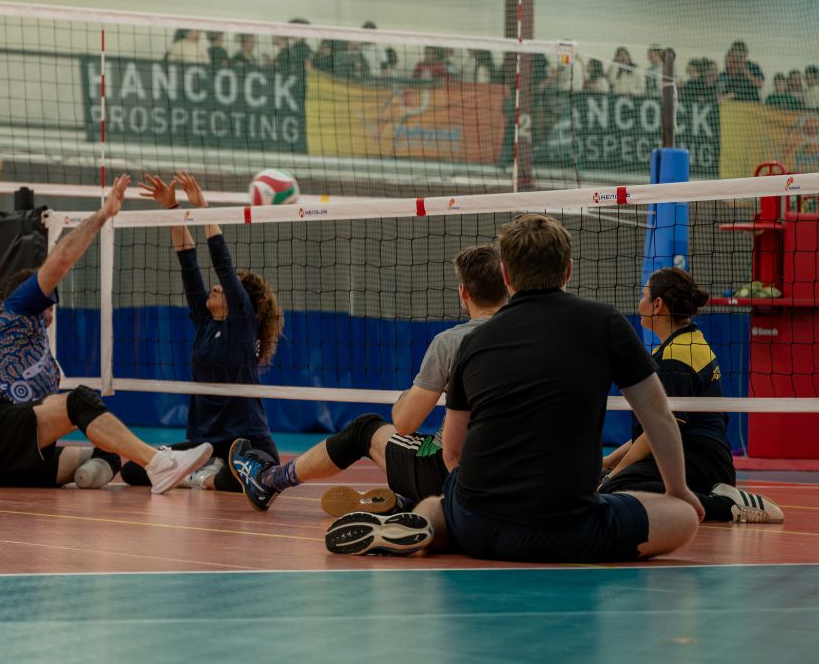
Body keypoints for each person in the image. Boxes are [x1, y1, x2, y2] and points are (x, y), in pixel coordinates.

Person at [327, 214, 705, 560]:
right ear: (568, 270)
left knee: (438, 503)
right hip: (570, 530)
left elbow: (453, 454)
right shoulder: (604, 323)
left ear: (506, 276)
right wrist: (679, 490)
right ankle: (434, 523)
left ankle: (427, 525)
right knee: (682, 516)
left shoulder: (471, 343)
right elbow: (656, 415)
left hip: (478, 528)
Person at [0, 175, 213, 493]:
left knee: (107, 451)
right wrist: (103, 215)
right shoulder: (15, 309)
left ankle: (150, 464)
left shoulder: (40, 359)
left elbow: (38, 420)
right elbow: (60, 260)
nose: (52, 306)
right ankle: (160, 465)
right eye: (48, 299)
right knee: (79, 401)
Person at [228, 246, 506, 515]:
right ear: (507, 285)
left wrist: (406, 399)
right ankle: (406, 497)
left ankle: (269, 479)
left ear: (463, 292)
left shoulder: (451, 342)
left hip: (450, 474)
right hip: (505, 476)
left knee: (364, 428)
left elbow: (406, 423)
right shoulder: (531, 337)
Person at [127, 171, 283, 492]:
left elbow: (222, 265)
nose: (216, 286)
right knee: (132, 471)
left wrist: (204, 208)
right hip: (205, 445)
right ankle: (200, 472)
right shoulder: (204, 321)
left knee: (250, 474)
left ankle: (203, 478)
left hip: (247, 439)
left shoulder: (242, 324)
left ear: (241, 302)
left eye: (225, 288)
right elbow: (188, 263)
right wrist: (172, 210)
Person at [599, 268, 783, 523]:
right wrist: (608, 462)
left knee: (615, 489)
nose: (639, 303)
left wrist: (614, 475)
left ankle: (726, 505)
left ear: (658, 305)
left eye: (643, 296)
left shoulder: (677, 357)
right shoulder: (686, 342)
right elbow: (650, 432)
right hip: (698, 457)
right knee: (603, 480)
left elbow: (661, 431)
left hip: (700, 463)